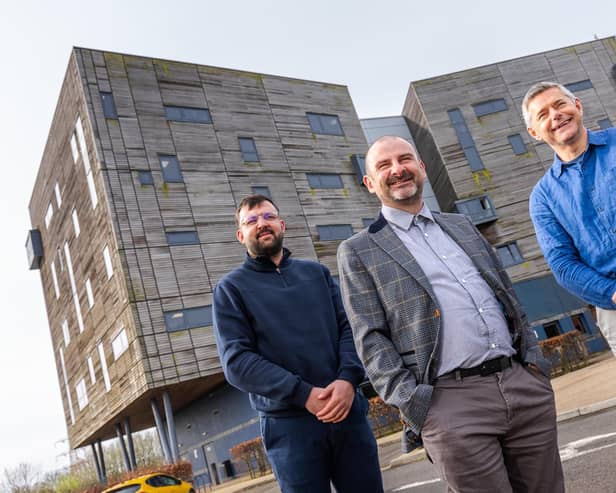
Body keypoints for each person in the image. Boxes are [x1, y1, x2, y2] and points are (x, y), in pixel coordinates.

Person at [337, 136, 564, 492]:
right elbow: (370, 338)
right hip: (450, 402)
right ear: (369, 183)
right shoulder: (359, 250)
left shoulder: (460, 225)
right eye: (384, 166)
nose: (397, 170)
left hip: (521, 384)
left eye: (405, 159)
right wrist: (416, 404)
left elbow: (508, 296)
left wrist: (533, 363)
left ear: (421, 168)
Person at [212, 195, 383, 493]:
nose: (261, 224)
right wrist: (303, 394)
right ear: (241, 236)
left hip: (347, 412)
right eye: (251, 221)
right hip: (290, 427)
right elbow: (237, 362)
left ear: (282, 224)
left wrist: (347, 380)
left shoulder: (317, 273)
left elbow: (351, 329)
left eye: (267, 217)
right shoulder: (231, 289)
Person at [524, 81, 616, 357]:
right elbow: (563, 265)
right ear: (534, 132)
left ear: (577, 105)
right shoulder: (543, 198)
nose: (555, 115)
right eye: (543, 115)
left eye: (560, 104)